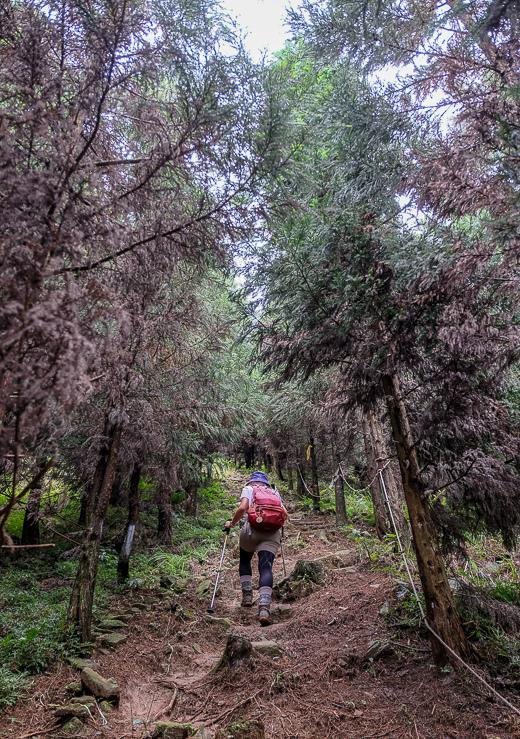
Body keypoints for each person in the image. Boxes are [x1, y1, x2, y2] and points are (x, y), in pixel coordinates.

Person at [224, 471, 287, 625]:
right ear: (265, 483)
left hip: (251, 531)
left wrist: (231, 523)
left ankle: (247, 596)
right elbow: (284, 513)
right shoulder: (273, 492)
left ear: (251, 481)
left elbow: (242, 508)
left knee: (245, 560)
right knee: (266, 569)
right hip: (271, 534)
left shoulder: (249, 489)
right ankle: (264, 608)